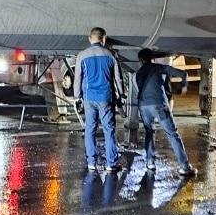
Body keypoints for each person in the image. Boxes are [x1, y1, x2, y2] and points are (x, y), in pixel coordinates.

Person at [135, 48, 195, 177]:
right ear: (152, 58)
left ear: (140, 60)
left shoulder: (138, 73)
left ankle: (150, 162)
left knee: (149, 133)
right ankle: (184, 167)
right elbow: (184, 74)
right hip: (159, 105)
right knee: (172, 134)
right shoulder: (159, 68)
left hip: (143, 106)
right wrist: (183, 86)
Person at [73, 26, 123, 173]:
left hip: (89, 98)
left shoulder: (82, 55)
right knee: (109, 130)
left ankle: (91, 163)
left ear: (90, 39)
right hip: (106, 97)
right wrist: (121, 94)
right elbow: (118, 78)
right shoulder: (111, 55)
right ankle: (111, 163)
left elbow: (78, 78)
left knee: (90, 129)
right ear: (104, 39)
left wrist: (77, 96)